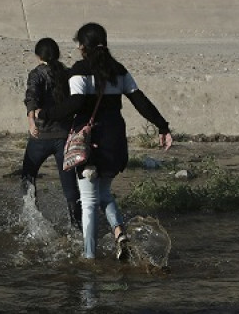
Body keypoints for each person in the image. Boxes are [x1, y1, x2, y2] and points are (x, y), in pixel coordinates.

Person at [38, 22, 173, 260]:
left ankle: (89, 257)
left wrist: (45, 114)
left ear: (82, 46)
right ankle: (120, 234)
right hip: (115, 143)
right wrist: (162, 126)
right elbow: (140, 100)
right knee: (104, 193)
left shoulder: (79, 70)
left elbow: (76, 104)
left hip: (89, 144)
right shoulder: (119, 70)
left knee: (89, 201)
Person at [20, 37, 81, 229]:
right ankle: (77, 226)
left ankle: (32, 218)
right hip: (64, 136)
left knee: (28, 177)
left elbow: (31, 98)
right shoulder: (68, 73)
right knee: (70, 185)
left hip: (41, 136)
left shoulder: (36, 74)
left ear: (38, 55)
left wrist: (31, 122)